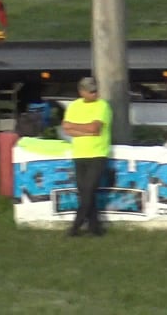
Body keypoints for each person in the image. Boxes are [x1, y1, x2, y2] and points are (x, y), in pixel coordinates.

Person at [63, 76, 112, 237]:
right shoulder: (74, 106)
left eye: (96, 90)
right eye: (91, 92)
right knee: (84, 192)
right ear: (82, 92)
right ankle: (95, 227)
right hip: (79, 154)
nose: (95, 94)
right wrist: (84, 129)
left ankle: (75, 227)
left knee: (89, 191)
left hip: (97, 154)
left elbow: (94, 129)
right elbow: (66, 129)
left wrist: (75, 128)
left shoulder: (102, 106)